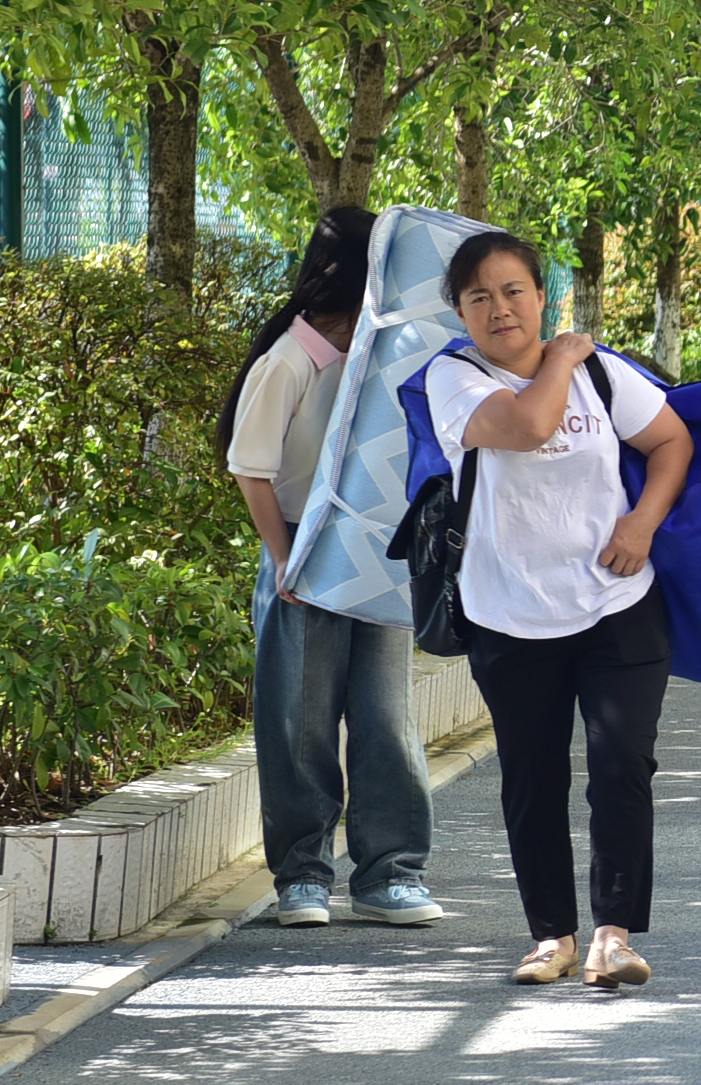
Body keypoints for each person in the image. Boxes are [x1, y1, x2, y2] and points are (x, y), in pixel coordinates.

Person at [429, 232, 694, 990]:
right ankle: (552, 937)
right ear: (460, 312)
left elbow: (671, 440)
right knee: (531, 776)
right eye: (478, 297)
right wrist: (559, 358)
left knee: (620, 765)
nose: (499, 308)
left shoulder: (600, 374)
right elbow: (526, 426)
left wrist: (641, 522)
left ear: (542, 296)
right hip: (509, 613)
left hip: (617, 605)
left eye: (513, 290)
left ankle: (613, 934)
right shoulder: (454, 379)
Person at [219, 207, 441, 932]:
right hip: (302, 562)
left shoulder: (377, 353)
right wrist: (287, 561)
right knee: (299, 723)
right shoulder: (288, 359)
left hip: (376, 561)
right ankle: (302, 877)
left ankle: (391, 874)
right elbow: (251, 471)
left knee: (385, 719)